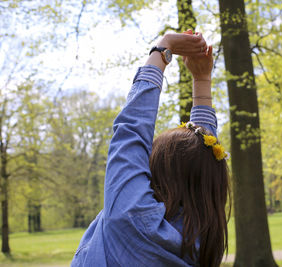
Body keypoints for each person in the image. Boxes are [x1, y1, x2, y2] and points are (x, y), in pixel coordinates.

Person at [71, 30, 230, 267]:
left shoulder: (132, 218)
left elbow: (131, 129)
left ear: (160, 174)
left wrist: (162, 50)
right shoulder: (203, 241)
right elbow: (204, 158)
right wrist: (201, 79)